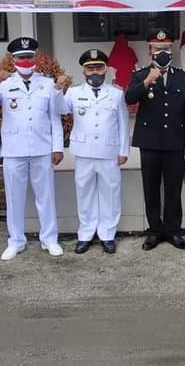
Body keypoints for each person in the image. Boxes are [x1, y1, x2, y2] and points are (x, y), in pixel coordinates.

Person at [0, 37, 70, 260]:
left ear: (35, 58)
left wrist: (57, 147)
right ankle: (16, 241)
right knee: (14, 198)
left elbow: (56, 115)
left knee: (46, 197)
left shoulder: (48, 83)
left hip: (42, 149)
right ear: (13, 60)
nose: (25, 61)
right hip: (14, 150)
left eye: (29, 56)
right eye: (21, 57)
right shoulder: (4, 84)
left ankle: (49, 239)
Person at [125, 28, 185, 251]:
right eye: (157, 49)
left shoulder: (182, 77)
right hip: (150, 142)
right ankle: (154, 231)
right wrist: (147, 81)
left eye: (166, 48)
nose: (162, 52)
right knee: (151, 188)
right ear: (150, 52)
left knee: (174, 188)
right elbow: (129, 98)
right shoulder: (140, 75)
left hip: (175, 141)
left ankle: (173, 231)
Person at [63, 49, 130, 254]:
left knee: (110, 193)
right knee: (85, 193)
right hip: (84, 152)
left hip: (109, 151)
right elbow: (60, 110)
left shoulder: (116, 93)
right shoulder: (73, 92)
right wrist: (58, 90)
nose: (94, 72)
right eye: (90, 68)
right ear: (83, 71)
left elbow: (123, 123)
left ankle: (107, 234)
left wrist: (123, 150)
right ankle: (85, 234)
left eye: (98, 68)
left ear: (106, 69)